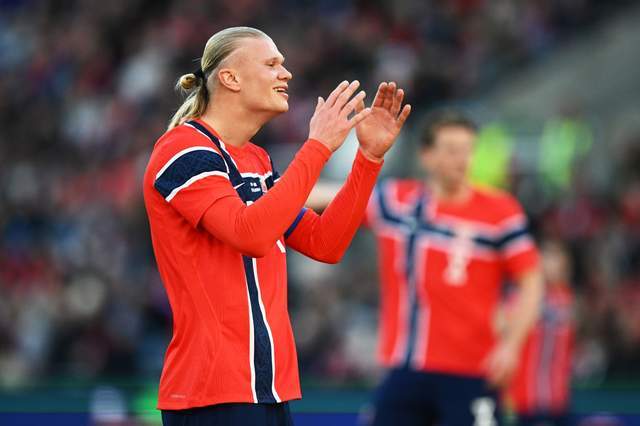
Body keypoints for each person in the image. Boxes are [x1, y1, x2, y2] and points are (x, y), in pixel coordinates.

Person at [142, 26, 411, 426]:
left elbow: (325, 243)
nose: (286, 73)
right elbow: (249, 235)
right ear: (230, 78)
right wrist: (317, 146)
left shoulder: (257, 160)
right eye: (271, 64)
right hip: (212, 392)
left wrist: (368, 159)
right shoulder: (182, 149)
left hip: (269, 389)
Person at [308, 110, 543, 425]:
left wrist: (512, 346)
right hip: (406, 367)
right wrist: (268, 194)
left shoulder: (501, 213)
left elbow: (532, 281)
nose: (461, 160)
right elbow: (331, 196)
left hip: (473, 369)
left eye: (467, 150)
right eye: (451, 150)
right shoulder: (398, 203)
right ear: (426, 156)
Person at [504, 240, 575, 426]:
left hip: (558, 398)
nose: (552, 264)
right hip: (524, 399)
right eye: (547, 258)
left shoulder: (567, 298)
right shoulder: (519, 297)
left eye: (557, 259)